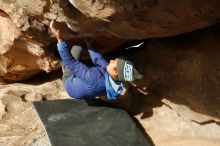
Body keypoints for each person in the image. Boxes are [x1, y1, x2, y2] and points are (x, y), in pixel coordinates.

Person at [50, 20, 143, 100]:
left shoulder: (94, 78)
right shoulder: (113, 80)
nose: (111, 61)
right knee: (82, 60)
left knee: (77, 48)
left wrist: (60, 40)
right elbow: (98, 60)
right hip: (85, 83)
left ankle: (63, 68)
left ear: (115, 73)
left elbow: (70, 62)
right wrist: (90, 45)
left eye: (114, 62)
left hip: (70, 84)